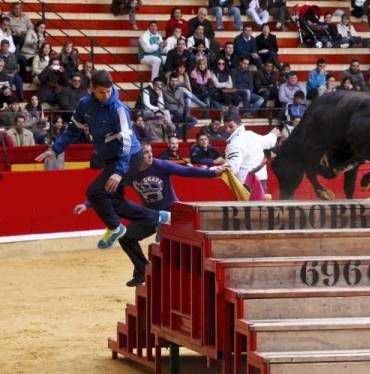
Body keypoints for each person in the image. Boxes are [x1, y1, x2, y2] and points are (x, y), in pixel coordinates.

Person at [35, 70, 169, 249]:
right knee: (117, 204)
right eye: (101, 92)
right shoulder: (85, 104)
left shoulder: (119, 109)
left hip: (129, 157)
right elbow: (73, 130)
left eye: (108, 91)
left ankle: (115, 228)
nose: (106, 95)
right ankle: (160, 217)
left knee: (95, 192)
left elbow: (127, 143)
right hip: (111, 159)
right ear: (92, 89)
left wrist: (119, 172)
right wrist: (56, 149)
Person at [74, 142, 227, 286]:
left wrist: (212, 173)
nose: (150, 155)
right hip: (150, 215)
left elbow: (186, 171)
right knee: (126, 238)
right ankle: (143, 271)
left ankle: (169, 279)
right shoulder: (128, 172)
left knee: (163, 243)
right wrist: (86, 205)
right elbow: (107, 191)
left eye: (150, 152)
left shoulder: (160, 165)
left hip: (170, 213)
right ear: (137, 156)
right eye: (145, 153)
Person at [224, 110, 279, 192]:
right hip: (261, 179)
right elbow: (268, 141)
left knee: (246, 204)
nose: (227, 130)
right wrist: (273, 134)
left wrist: (215, 169)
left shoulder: (233, 144)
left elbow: (233, 168)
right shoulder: (251, 135)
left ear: (239, 125)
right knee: (261, 203)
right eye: (225, 127)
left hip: (246, 183)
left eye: (231, 126)